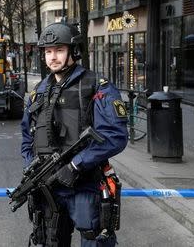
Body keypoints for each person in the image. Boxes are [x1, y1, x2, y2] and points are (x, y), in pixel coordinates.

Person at [20, 22, 128, 247]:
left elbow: (115, 135)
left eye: (59, 50)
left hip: (84, 186)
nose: (53, 57)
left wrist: (76, 165)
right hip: (48, 188)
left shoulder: (96, 87)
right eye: (48, 51)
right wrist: (32, 166)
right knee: (50, 241)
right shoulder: (38, 92)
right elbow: (27, 137)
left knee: (92, 239)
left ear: (74, 51)